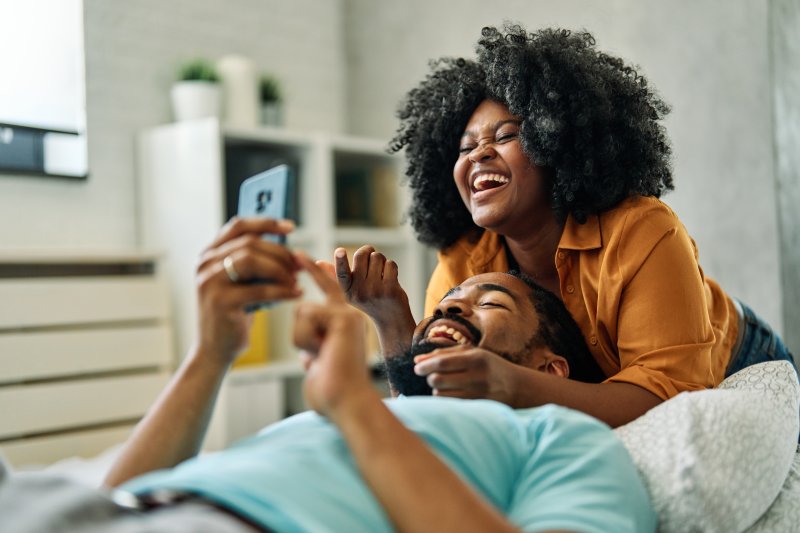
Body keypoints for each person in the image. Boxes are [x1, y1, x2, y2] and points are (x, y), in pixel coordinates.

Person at [0, 218, 656, 533]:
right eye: (448, 302)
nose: (452, 302)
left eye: (491, 301)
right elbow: (124, 494)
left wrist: (353, 404)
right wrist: (212, 352)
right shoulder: (365, 407)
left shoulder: (565, 441)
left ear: (551, 365)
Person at [331, 24, 797, 428]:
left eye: (506, 135)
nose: (477, 155)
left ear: (558, 144)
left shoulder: (643, 230)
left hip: (734, 354)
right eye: (464, 147)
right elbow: (431, 410)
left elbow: (668, 399)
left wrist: (514, 385)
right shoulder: (463, 260)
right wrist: (392, 323)